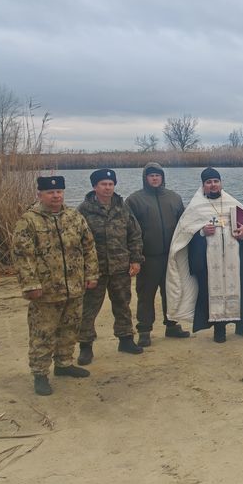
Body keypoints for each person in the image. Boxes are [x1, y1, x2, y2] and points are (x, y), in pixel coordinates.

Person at [12, 175, 99, 396]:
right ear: (40, 194)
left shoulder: (74, 217)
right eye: (51, 192)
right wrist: (30, 284)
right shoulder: (29, 220)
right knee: (43, 333)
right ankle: (40, 374)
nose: (56, 195)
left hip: (74, 286)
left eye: (59, 191)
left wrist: (91, 274)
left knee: (70, 328)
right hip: (46, 290)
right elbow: (23, 256)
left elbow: (88, 247)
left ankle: (64, 364)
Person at [166, 168, 243, 342]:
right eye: (209, 182)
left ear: (221, 183)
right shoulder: (196, 207)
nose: (213, 185)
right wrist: (201, 232)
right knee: (211, 293)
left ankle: (241, 325)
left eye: (216, 181)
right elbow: (184, 233)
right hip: (209, 261)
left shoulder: (232, 202)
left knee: (242, 290)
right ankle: (219, 329)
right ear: (203, 185)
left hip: (236, 259)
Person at [76, 169, 145, 365]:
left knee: (123, 305)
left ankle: (125, 340)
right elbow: (76, 242)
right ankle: (85, 347)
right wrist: (83, 269)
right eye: (103, 184)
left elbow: (134, 235)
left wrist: (136, 259)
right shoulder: (83, 210)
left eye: (110, 184)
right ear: (94, 187)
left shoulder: (122, 208)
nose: (108, 188)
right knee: (88, 309)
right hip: (94, 270)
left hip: (120, 267)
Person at [125, 162, 190, 346]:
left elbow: (183, 226)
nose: (155, 178)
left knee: (171, 292)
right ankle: (144, 330)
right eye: (151, 175)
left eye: (158, 175)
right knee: (146, 295)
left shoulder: (174, 198)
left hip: (170, 256)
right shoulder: (134, 200)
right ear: (145, 178)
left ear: (162, 177)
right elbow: (129, 232)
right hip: (147, 257)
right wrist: (135, 257)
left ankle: (171, 325)